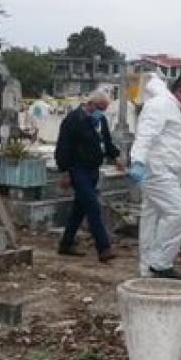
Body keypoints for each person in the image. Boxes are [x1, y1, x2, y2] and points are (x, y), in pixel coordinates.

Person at [128, 73, 181, 279]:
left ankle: (147, 268)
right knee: (178, 215)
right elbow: (146, 133)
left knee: (151, 220)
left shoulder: (171, 107)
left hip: (163, 171)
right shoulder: (160, 105)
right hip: (158, 171)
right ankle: (160, 263)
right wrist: (138, 160)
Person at [54, 90, 123, 263]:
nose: (102, 112)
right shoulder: (73, 120)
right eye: (100, 108)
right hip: (77, 169)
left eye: (104, 109)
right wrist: (64, 171)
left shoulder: (100, 120)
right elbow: (63, 147)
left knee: (80, 208)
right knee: (93, 206)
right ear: (90, 104)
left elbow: (106, 143)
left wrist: (115, 157)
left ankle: (66, 243)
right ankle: (103, 248)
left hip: (93, 169)